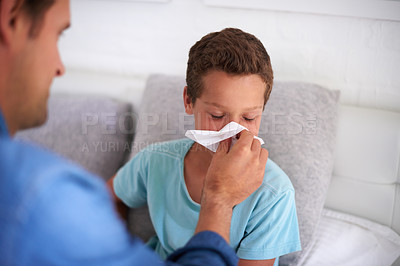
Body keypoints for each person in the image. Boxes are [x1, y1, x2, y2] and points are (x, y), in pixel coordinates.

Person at [0, 1, 269, 265]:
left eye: (249, 117)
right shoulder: (44, 192)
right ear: (11, 19)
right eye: (58, 34)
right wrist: (219, 199)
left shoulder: (273, 193)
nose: (60, 67)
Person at [108, 28, 302, 266]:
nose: (233, 131)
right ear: (189, 101)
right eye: (217, 115)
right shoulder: (155, 161)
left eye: (249, 118)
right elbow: (108, 196)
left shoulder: (274, 194)